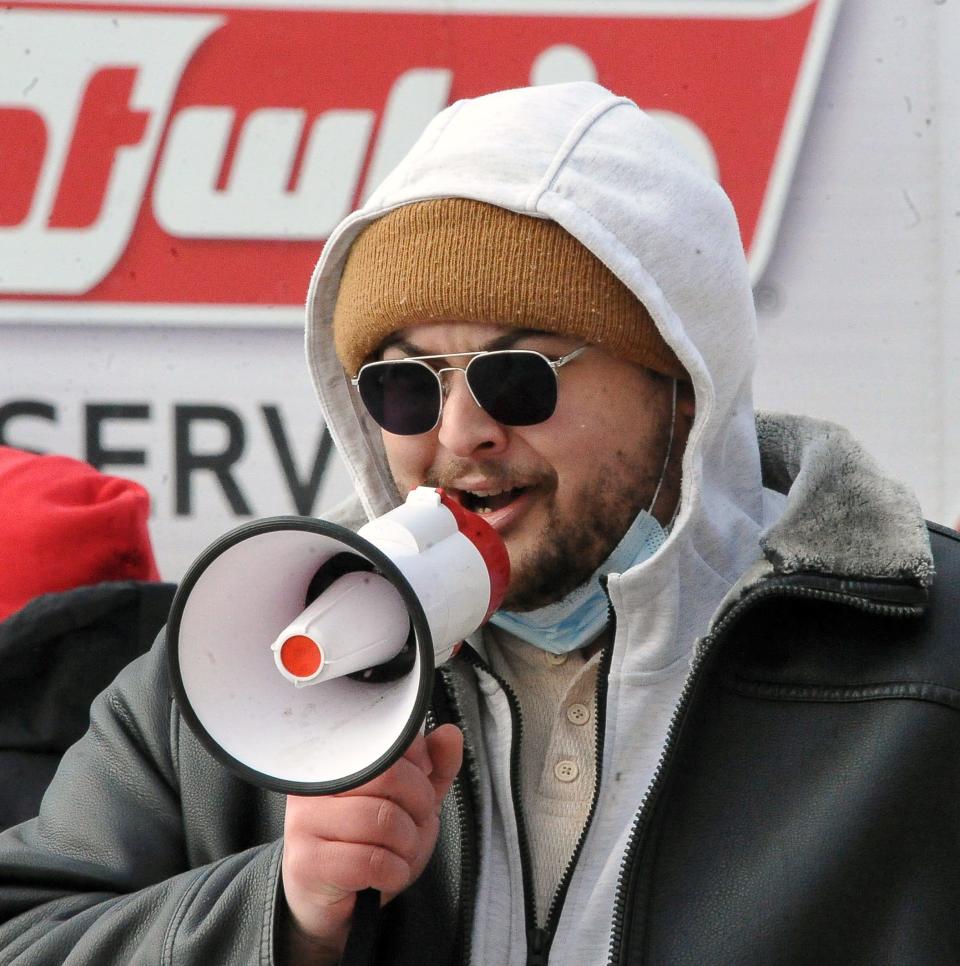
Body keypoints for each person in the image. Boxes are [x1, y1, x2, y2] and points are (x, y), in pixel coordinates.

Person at [1, 82, 958, 965]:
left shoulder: (926, 668)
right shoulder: (246, 650)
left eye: (517, 374)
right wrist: (282, 917)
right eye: (406, 385)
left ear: (681, 383)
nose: (462, 432)